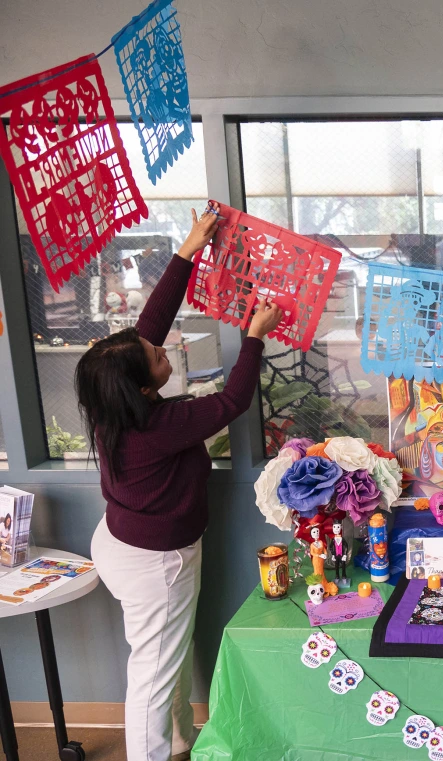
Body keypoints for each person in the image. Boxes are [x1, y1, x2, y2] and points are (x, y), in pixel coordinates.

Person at [81, 208, 283, 761]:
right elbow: (232, 402)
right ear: (142, 388)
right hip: (153, 561)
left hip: (124, 542)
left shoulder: (113, 404)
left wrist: (188, 250)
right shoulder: (159, 426)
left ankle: (175, 742)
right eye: (155, 357)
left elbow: (148, 323)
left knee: (161, 657)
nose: (161, 347)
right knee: (152, 671)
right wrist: (253, 340)